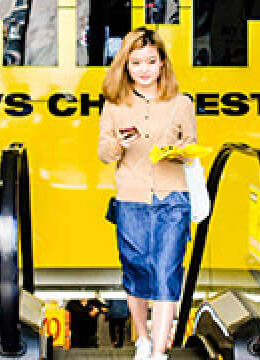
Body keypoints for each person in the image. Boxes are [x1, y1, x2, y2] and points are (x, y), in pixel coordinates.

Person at [97, 27, 198, 360]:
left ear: (162, 64)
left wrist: (178, 151)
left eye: (150, 61)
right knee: (137, 269)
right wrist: (118, 144)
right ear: (126, 65)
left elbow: (192, 147)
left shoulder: (181, 104)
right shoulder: (114, 106)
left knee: (168, 271)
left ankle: (158, 351)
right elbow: (104, 153)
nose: (143, 69)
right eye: (136, 62)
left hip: (173, 198)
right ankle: (142, 337)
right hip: (131, 199)